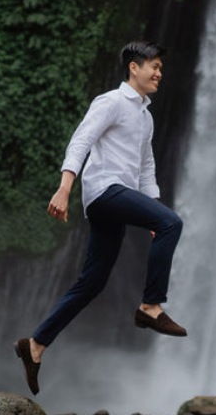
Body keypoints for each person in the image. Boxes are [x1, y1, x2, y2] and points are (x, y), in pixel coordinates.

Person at [14, 40, 187, 396]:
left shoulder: (145, 115)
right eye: (153, 66)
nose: (158, 73)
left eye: (161, 68)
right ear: (133, 69)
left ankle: (35, 346)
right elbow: (80, 142)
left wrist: (154, 211)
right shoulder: (111, 102)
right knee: (173, 222)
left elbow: (146, 167)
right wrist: (64, 188)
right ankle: (150, 306)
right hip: (104, 190)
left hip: (119, 197)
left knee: (91, 282)